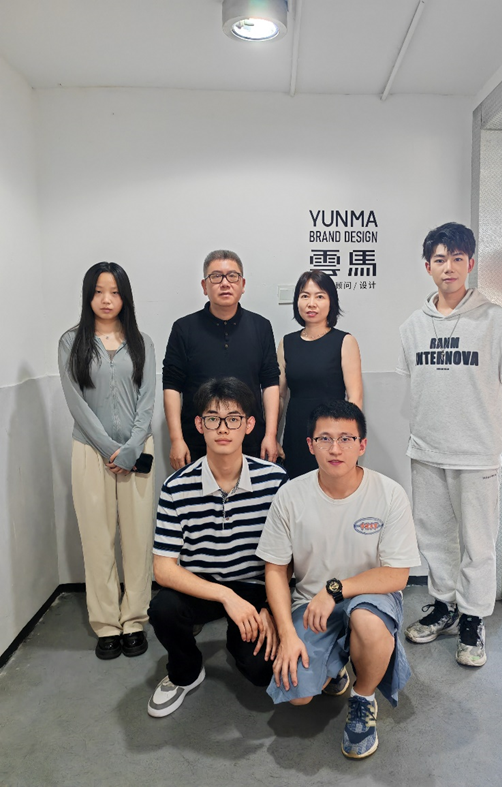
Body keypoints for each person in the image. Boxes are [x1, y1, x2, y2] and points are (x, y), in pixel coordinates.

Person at [256, 400, 421, 759]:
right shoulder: (290, 495)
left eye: (346, 439)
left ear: (362, 445)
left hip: (371, 598)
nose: (335, 449)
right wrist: (287, 635)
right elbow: (275, 570)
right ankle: (335, 668)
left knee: (365, 619)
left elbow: (397, 575)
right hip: (310, 605)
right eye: (325, 439)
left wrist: (335, 590)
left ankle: (363, 698)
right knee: (297, 693)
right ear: (309, 444)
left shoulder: (389, 494)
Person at [397, 222, 502, 667]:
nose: (448, 267)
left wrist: (491, 428)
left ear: (470, 263)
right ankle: (445, 605)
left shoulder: (495, 320)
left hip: (476, 453)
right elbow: (413, 386)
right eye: (439, 259)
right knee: (434, 537)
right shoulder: (412, 326)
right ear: (427, 267)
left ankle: (473, 618)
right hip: (427, 449)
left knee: (478, 541)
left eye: (456, 258)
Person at [148, 377, 288, 718]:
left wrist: (270, 606)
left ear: (249, 425)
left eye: (233, 418)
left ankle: (239, 640)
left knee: (261, 673)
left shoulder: (275, 481)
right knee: (163, 608)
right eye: (213, 418)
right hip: (204, 587)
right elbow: (163, 569)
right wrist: (226, 596)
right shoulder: (176, 487)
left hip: (256, 587)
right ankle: (185, 672)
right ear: (199, 425)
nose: (223, 428)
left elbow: (289, 559)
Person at [58, 262, 156, 660]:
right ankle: (106, 624)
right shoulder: (71, 342)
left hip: (138, 450)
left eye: (114, 292)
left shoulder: (142, 342)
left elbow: (147, 400)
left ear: (125, 297)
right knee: (97, 539)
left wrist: (131, 449)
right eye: (98, 291)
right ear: (88, 296)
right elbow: (76, 402)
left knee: (138, 538)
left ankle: (134, 619)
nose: (106, 299)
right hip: (89, 451)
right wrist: (107, 448)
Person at [163, 250, 280, 470]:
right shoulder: (183, 329)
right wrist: (176, 439)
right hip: (198, 441)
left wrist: (271, 435)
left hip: (250, 440)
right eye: (216, 276)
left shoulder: (261, 327)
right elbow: (171, 386)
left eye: (232, 276)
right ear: (204, 286)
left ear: (243, 284)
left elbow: (270, 383)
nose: (225, 283)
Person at [278, 271, 362, 478]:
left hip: (332, 435)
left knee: (334, 488)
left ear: (331, 301)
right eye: (304, 296)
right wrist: (272, 436)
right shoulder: (286, 343)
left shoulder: (345, 341)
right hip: (296, 432)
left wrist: (348, 440)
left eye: (320, 296)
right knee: (297, 489)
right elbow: (279, 396)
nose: (311, 303)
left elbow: (355, 397)